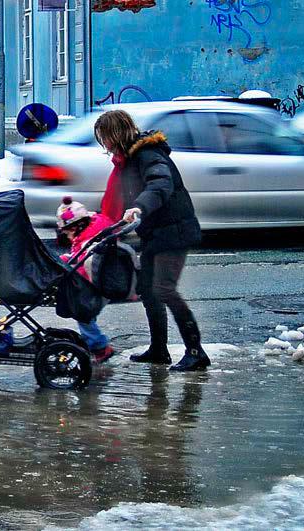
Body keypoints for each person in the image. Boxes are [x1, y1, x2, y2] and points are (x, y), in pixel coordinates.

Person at [94, 109, 210, 371]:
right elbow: (123, 196)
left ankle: (196, 351)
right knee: (148, 290)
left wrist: (139, 208)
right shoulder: (128, 160)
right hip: (155, 232)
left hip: (174, 231)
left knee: (164, 289)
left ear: (117, 134)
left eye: (106, 138)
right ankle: (159, 350)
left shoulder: (149, 154)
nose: (106, 146)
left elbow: (159, 184)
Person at [56, 197, 116, 364]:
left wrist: (65, 265)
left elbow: (81, 268)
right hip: (101, 282)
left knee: (83, 314)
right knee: (87, 317)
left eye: (66, 232)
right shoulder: (95, 231)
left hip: (93, 286)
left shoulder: (87, 242)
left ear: (75, 227)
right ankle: (97, 345)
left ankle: (100, 347)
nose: (66, 236)